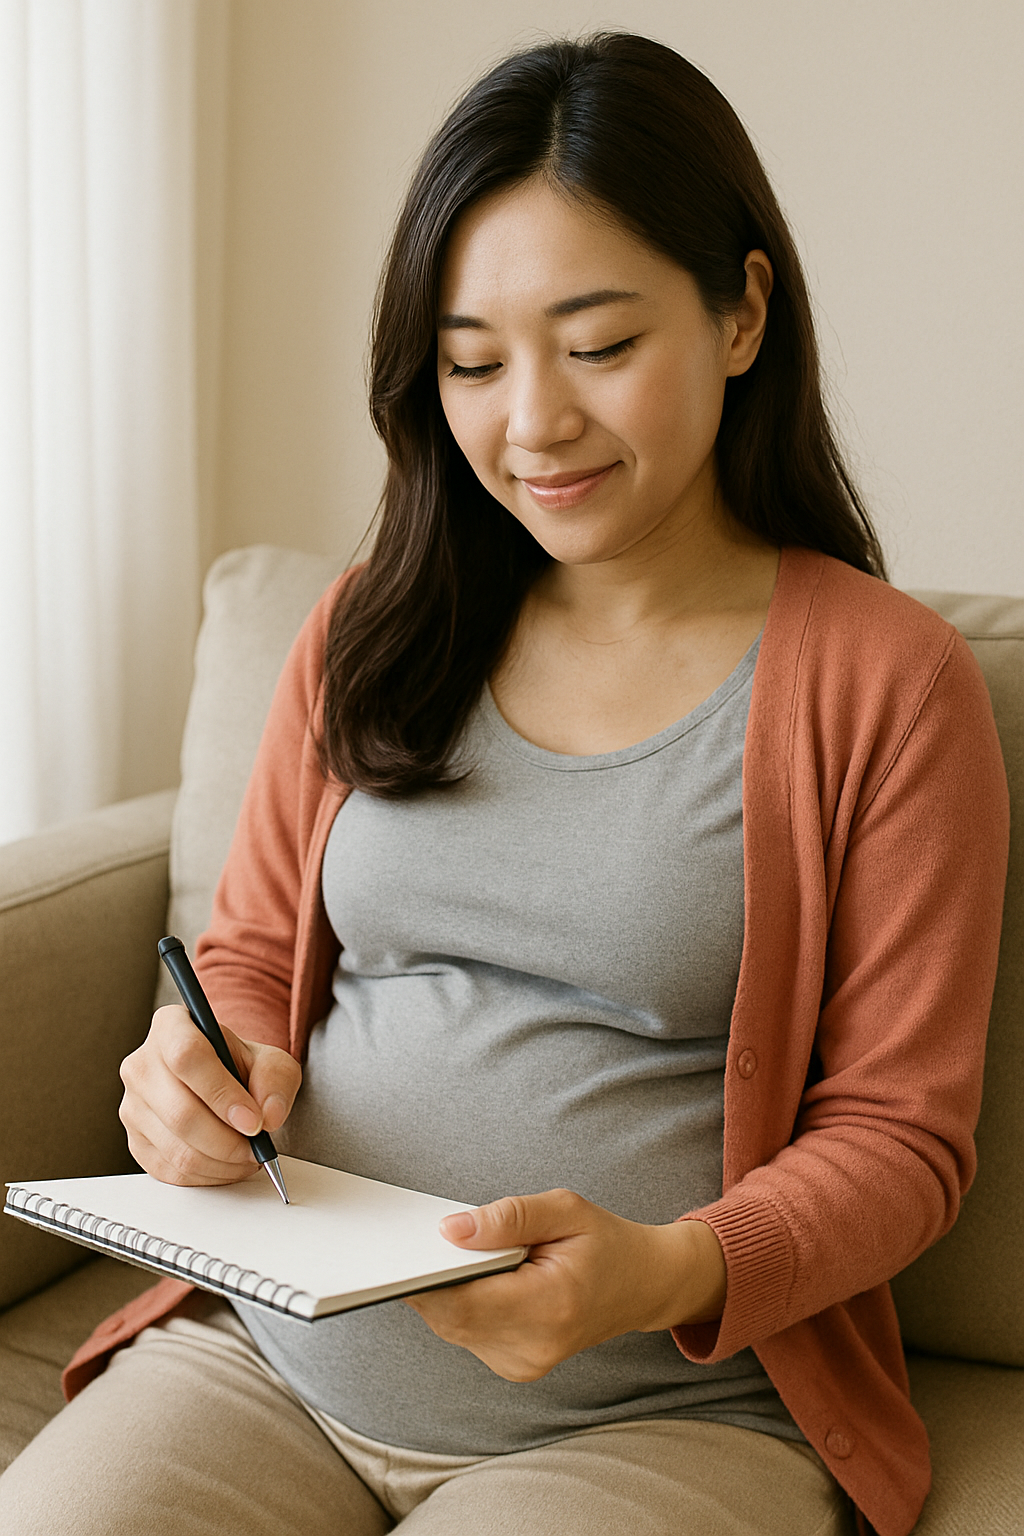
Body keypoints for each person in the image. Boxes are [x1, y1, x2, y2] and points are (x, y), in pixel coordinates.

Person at [0, 31, 1008, 1536]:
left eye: (598, 346)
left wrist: (670, 1270)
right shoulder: (371, 628)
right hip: (271, 1362)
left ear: (741, 312)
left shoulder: (887, 685)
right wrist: (205, 1071)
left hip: (656, 1419)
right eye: (474, 361)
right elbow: (257, 958)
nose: (530, 422)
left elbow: (899, 1137)